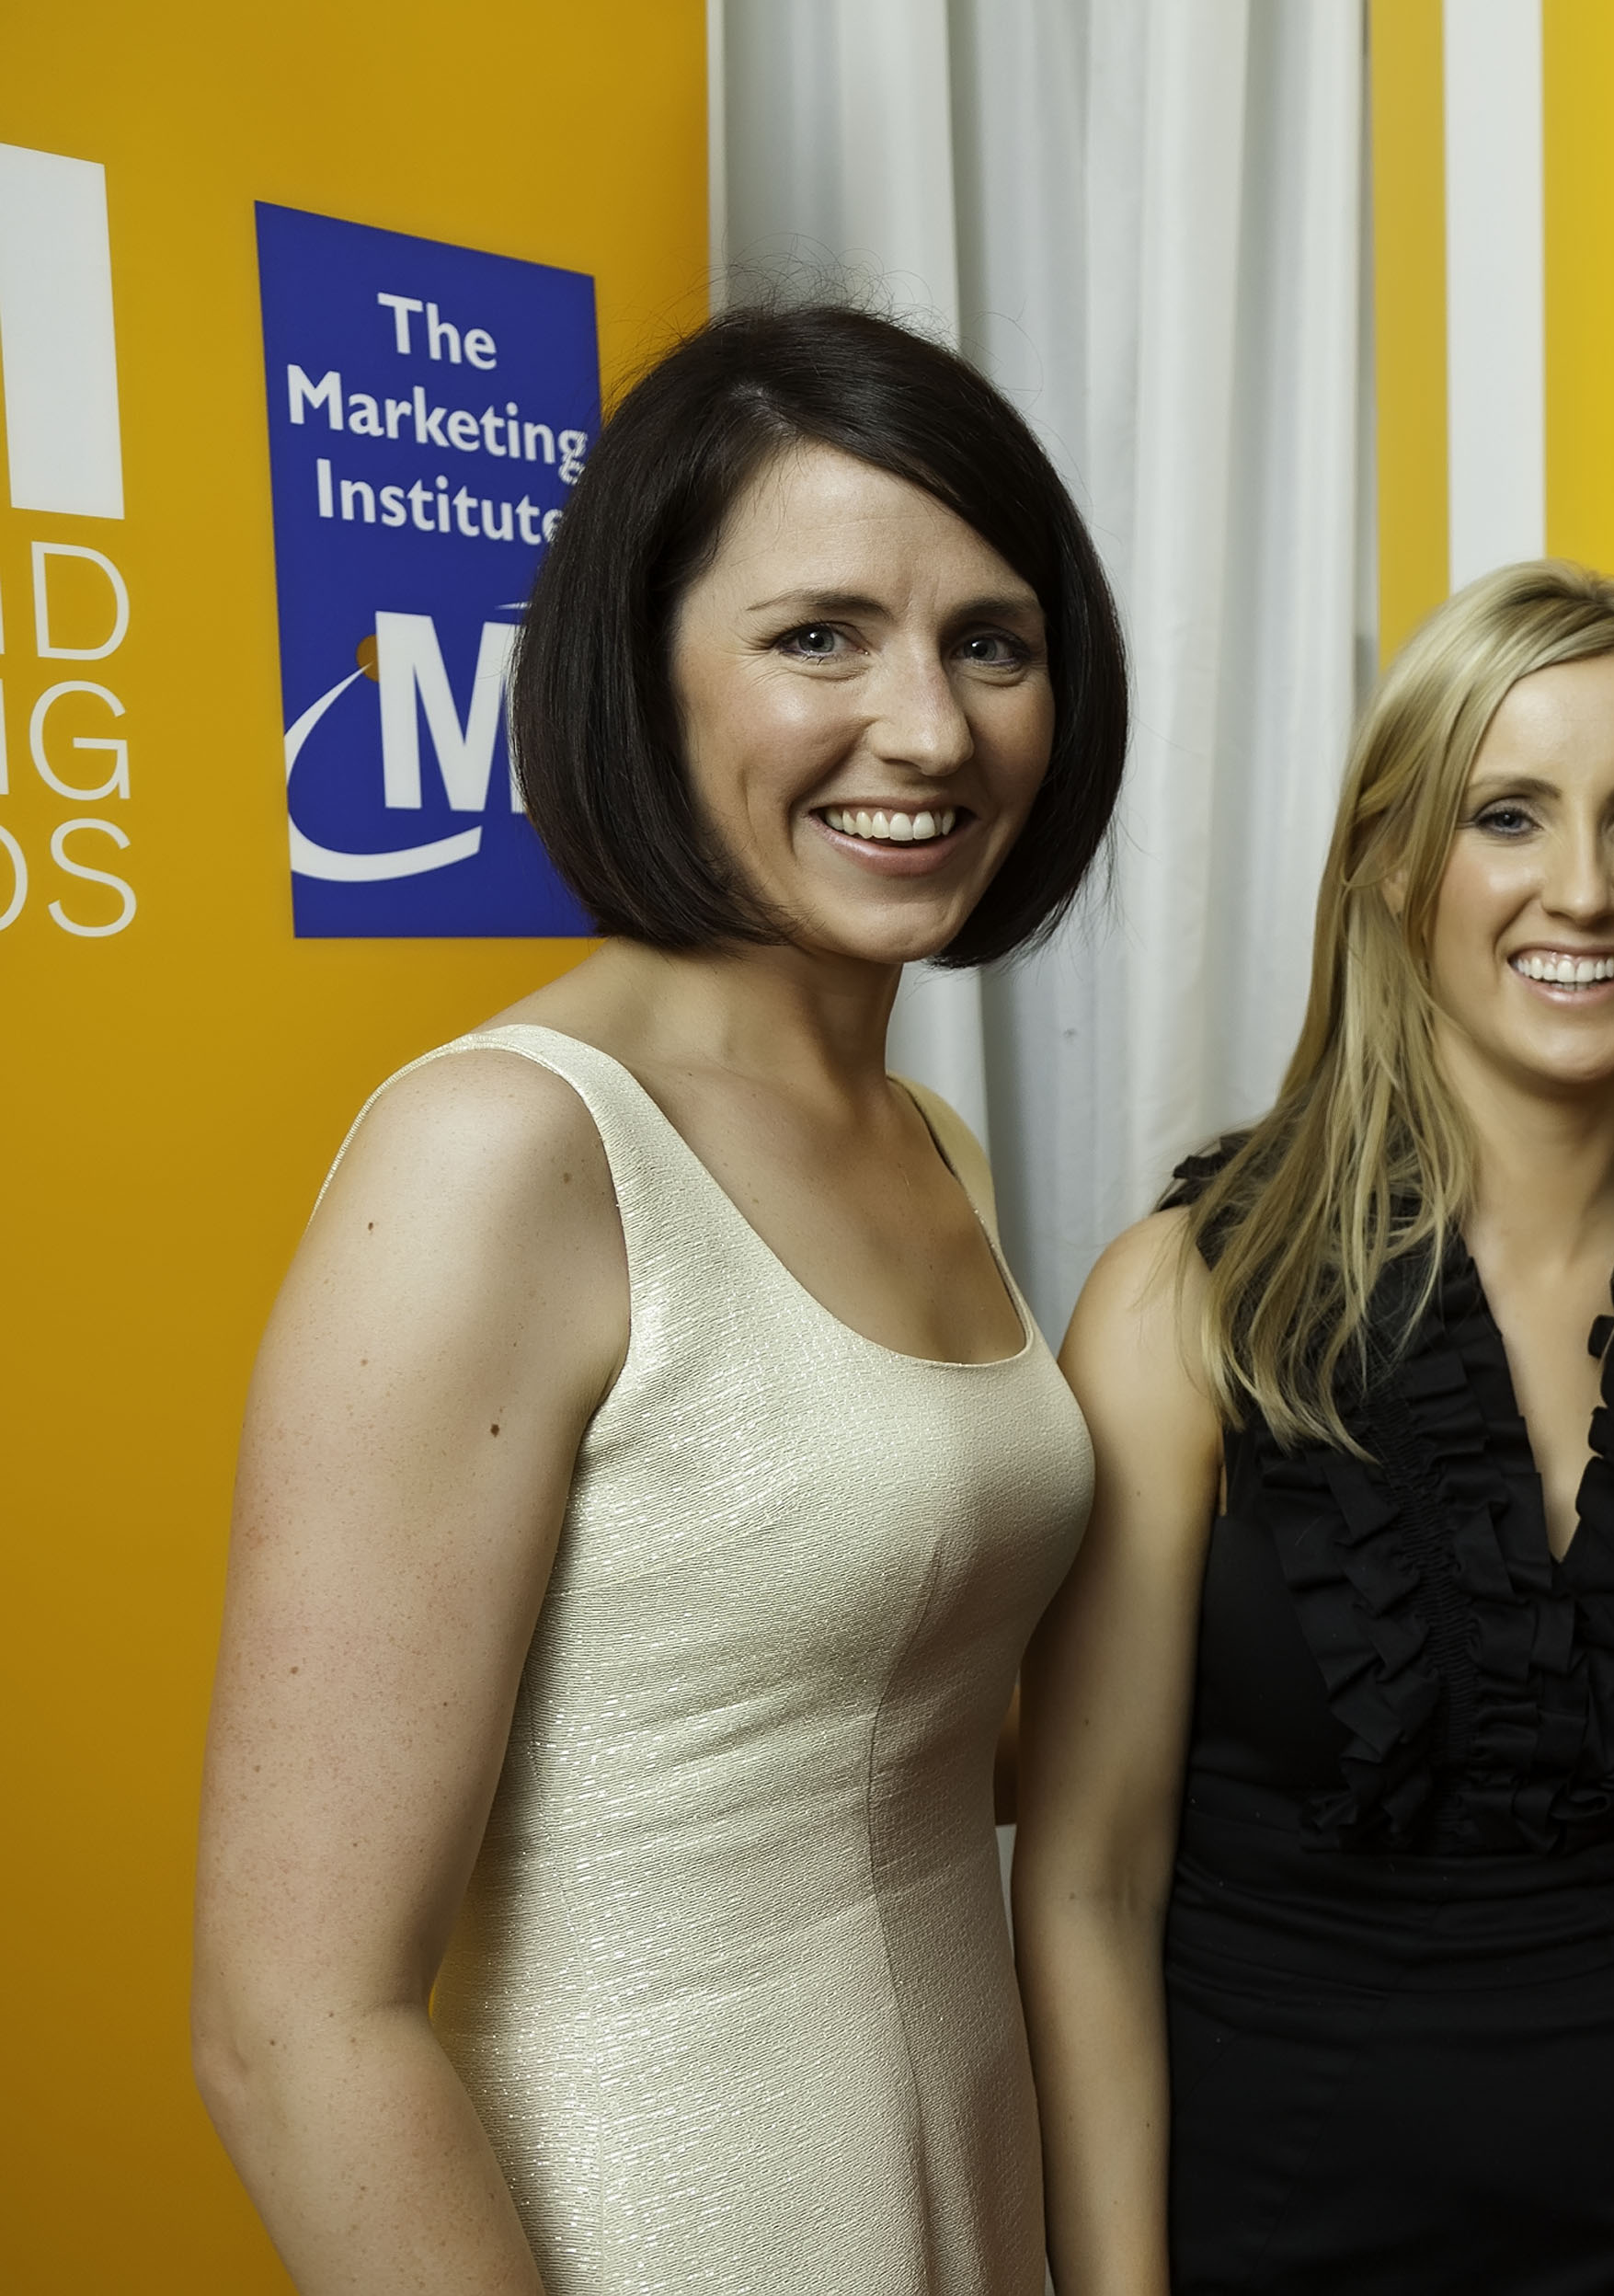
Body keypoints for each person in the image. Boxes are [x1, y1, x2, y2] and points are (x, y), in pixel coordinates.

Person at [189, 304, 1124, 2293]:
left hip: (970, 2202)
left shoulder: (929, 1143)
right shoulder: (502, 1152)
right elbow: (292, 2029)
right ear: (644, 670)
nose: (930, 729)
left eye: (991, 642)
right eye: (820, 637)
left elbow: (863, 1712)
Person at [1019, 559, 1614, 2295]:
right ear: (1397, 861)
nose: (1585, 888)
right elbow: (1086, 1882)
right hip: (1274, 2245)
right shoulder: (1185, 1302)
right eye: (1510, 814)